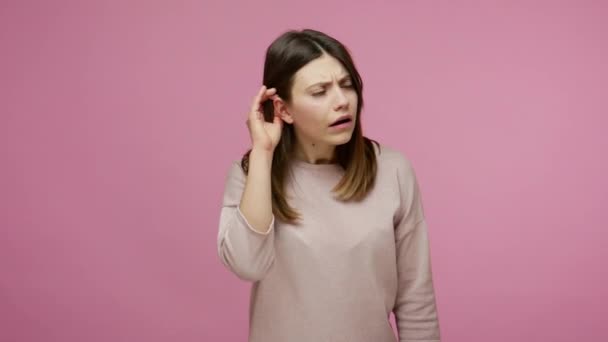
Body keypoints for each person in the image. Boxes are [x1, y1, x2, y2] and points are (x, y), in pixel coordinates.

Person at [217, 28, 441, 342]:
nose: (341, 102)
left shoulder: (393, 170)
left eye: (347, 85)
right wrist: (263, 152)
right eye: (320, 91)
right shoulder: (251, 173)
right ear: (283, 109)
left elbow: (416, 300)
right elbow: (247, 265)